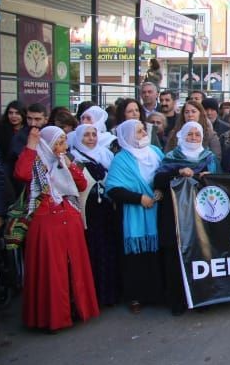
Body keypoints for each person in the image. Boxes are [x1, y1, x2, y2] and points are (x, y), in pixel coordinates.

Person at [14, 126, 99, 331]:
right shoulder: (35, 161)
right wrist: (31, 147)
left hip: (69, 219)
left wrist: (68, 163)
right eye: (59, 142)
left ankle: (76, 308)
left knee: (74, 268)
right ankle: (52, 316)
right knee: (52, 271)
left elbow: (80, 184)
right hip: (46, 222)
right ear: (48, 144)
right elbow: (21, 174)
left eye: (64, 142)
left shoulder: (63, 162)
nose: (64, 147)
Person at [155, 121, 219, 315]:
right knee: (175, 256)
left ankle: (203, 298)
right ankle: (178, 300)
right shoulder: (170, 157)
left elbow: (218, 183)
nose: (193, 138)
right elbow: (157, 180)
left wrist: (206, 176)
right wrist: (177, 172)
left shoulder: (209, 158)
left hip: (201, 214)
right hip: (174, 214)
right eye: (189, 134)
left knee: (202, 254)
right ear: (181, 136)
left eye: (197, 135)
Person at [105, 120, 164, 314]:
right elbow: (113, 189)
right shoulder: (121, 159)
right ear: (128, 136)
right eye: (138, 132)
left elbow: (164, 174)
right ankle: (136, 296)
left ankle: (157, 293)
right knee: (135, 258)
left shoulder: (155, 152)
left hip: (157, 209)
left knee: (157, 254)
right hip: (134, 214)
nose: (143, 133)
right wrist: (139, 198)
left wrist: (159, 189)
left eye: (142, 130)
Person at [70, 124, 120, 307]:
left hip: (107, 210)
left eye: (93, 134)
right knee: (91, 251)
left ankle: (110, 294)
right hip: (87, 213)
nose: (91, 138)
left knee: (108, 250)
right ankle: (93, 296)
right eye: (86, 135)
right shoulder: (72, 159)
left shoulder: (106, 156)